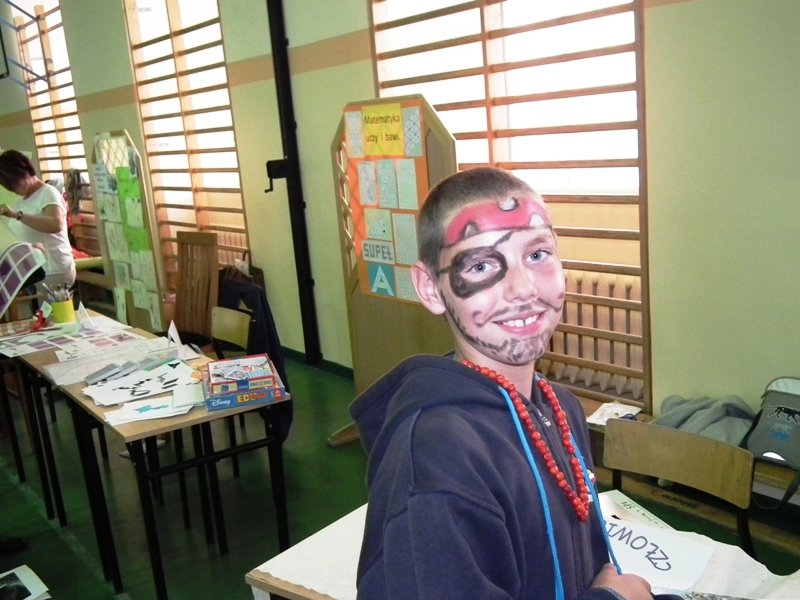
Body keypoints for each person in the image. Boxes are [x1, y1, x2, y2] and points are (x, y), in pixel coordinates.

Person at [350, 167, 659, 600]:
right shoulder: (436, 461)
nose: (523, 288)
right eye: (480, 265)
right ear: (431, 288)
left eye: (537, 254)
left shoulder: (561, 407)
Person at [0, 150, 76, 292]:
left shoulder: (48, 193)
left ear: (24, 172)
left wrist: (18, 215)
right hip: (34, 270)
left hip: (53, 270)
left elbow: (55, 224)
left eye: (14, 184)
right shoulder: (21, 200)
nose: (13, 190)